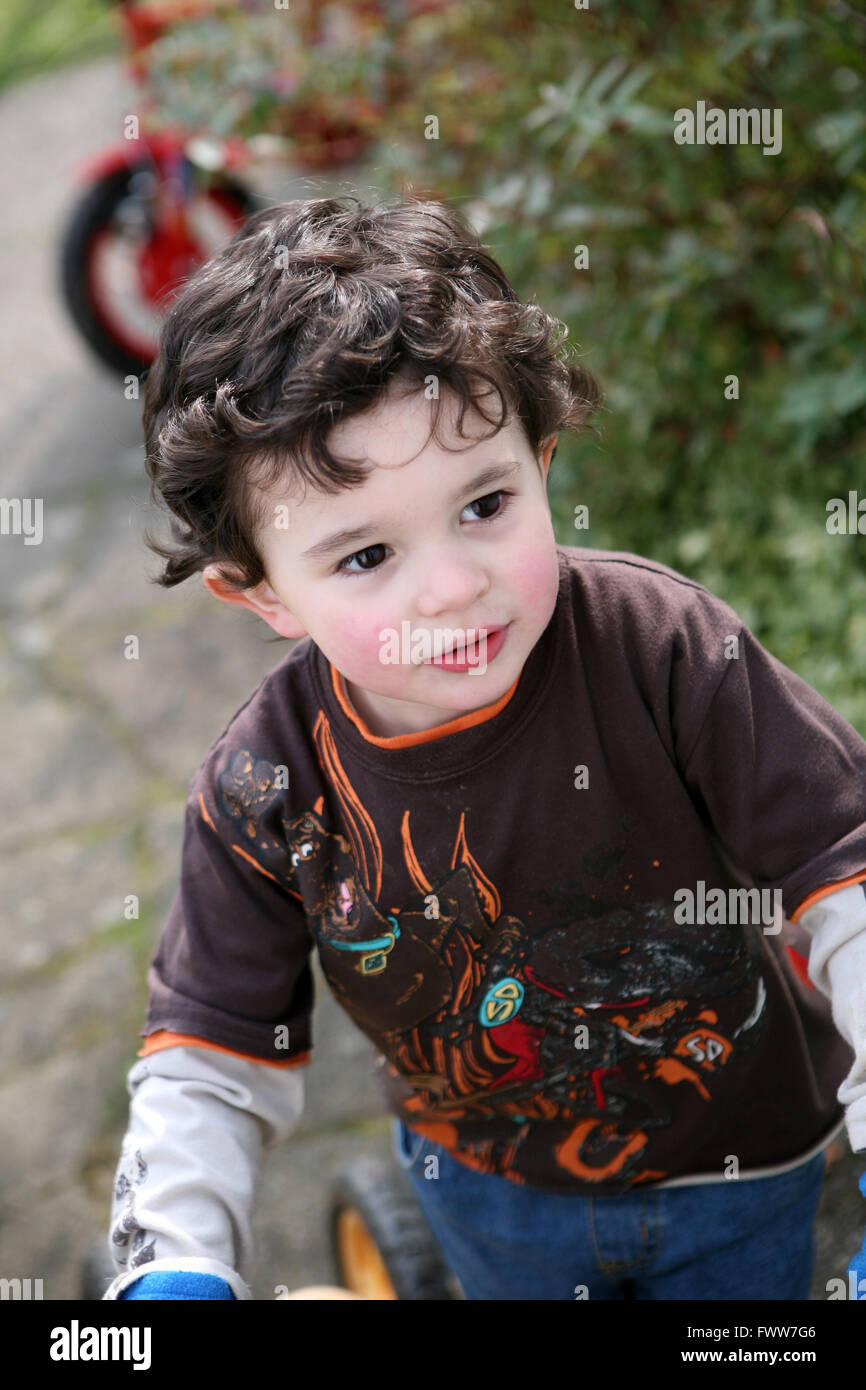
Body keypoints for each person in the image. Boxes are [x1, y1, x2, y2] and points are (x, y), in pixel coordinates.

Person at [102, 194, 866, 1301]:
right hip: (485, 1196)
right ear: (258, 591)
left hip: (737, 1168)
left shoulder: (661, 653)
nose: (453, 582)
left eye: (485, 502)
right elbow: (208, 1055)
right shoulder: (265, 789)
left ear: (541, 460)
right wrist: (171, 1257)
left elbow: (843, 877)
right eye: (364, 555)